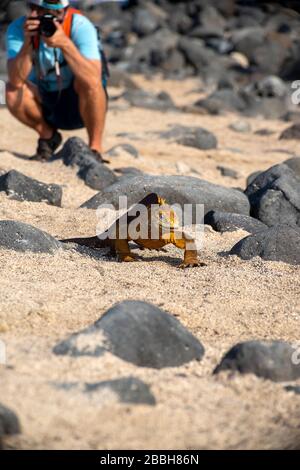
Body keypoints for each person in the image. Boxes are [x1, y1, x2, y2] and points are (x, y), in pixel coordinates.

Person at [5, 0, 108, 161]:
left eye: (50, 12)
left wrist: (65, 44)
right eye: (36, 9)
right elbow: (15, 80)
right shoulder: (19, 29)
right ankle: (48, 137)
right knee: (12, 91)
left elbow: (94, 79)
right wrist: (28, 44)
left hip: (79, 102)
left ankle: (95, 148)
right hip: (46, 100)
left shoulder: (80, 25)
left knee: (90, 83)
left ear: (64, 12)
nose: (37, 16)